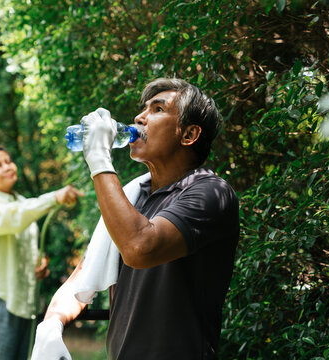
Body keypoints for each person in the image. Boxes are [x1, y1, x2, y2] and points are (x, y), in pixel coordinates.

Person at [32, 78, 240, 360]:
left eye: (157, 109)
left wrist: (99, 159)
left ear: (189, 134)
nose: (139, 117)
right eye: (143, 109)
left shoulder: (211, 193)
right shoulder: (134, 195)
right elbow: (82, 276)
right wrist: (52, 325)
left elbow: (140, 247)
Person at [0, 144, 83, 360]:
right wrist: (54, 198)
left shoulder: (23, 203)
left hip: (26, 304)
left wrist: (38, 267)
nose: (7, 166)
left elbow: (23, 230)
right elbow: (13, 219)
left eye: (8, 161)